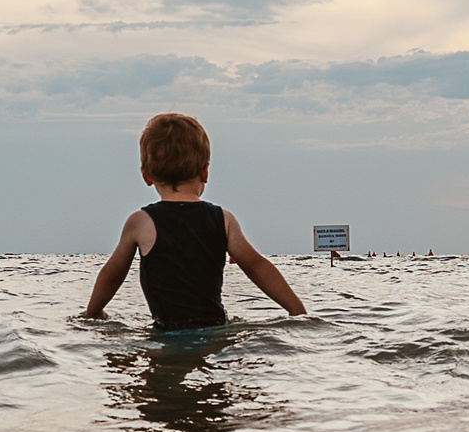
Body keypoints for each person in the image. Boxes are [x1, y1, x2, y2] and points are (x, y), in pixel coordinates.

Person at [81, 112, 308, 329]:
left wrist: (93, 313)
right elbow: (257, 267)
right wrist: (297, 312)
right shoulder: (223, 220)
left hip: (166, 332)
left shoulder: (140, 222)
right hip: (214, 329)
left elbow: (113, 274)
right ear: (204, 172)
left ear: (146, 176)